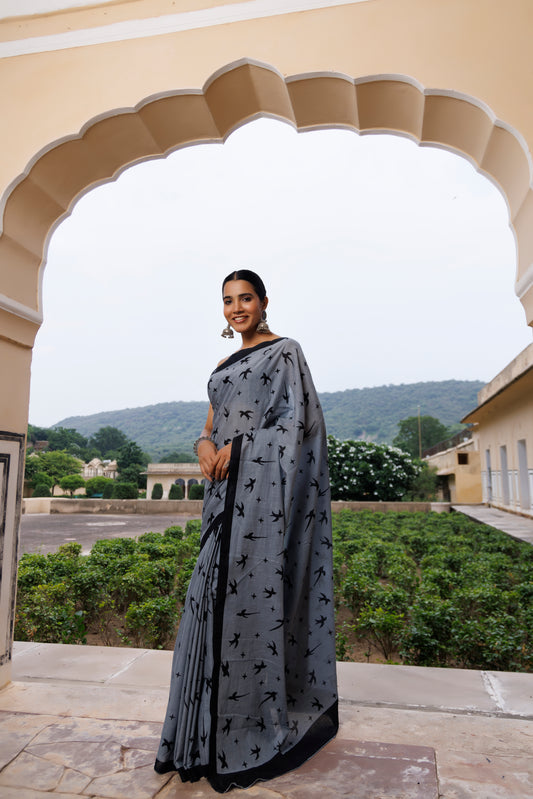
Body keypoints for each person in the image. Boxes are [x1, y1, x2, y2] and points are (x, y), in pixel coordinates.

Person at [154, 269, 338, 792]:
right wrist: (205, 446)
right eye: (228, 301)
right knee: (205, 602)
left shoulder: (285, 352)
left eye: (246, 299)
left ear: (263, 302)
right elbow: (210, 423)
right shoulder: (222, 363)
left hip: (261, 500)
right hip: (220, 496)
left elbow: (298, 423)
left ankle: (248, 725)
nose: (237, 309)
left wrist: (243, 447)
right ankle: (196, 734)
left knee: (244, 604)